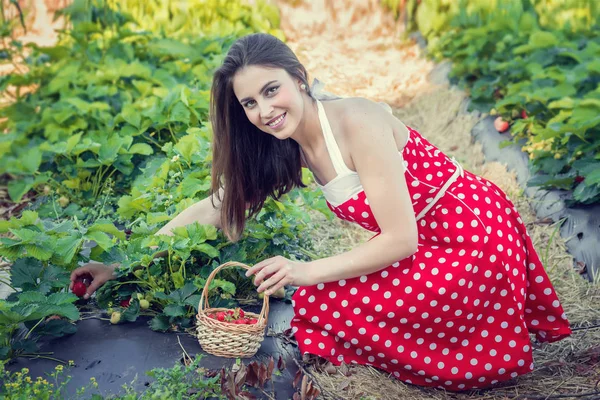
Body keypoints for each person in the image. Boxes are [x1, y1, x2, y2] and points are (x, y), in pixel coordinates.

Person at [70, 32, 572, 390]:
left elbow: (401, 239)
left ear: (299, 78)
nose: (263, 111)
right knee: (321, 303)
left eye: (271, 90)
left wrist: (304, 270)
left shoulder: (358, 120)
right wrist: (124, 265)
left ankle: (473, 337)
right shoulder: (285, 141)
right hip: (431, 245)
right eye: (248, 103)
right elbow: (220, 206)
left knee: (320, 298)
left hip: (472, 239)